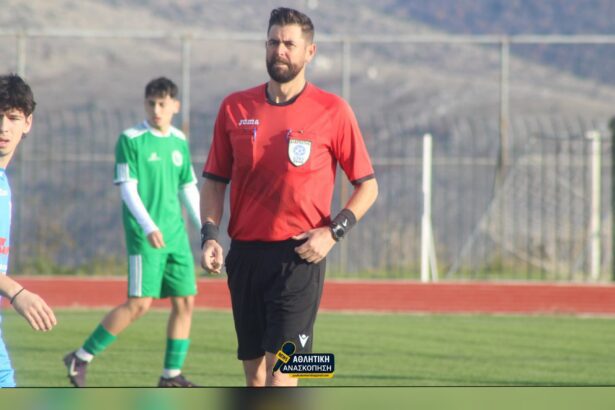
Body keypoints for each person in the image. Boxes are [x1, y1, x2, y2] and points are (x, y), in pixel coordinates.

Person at [200, 7, 378, 387]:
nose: (279, 50)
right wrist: (210, 236)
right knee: (255, 377)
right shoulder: (235, 107)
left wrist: (333, 233)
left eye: (289, 44)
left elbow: (368, 186)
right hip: (245, 257)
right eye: (273, 42)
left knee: (284, 375)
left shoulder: (333, 110)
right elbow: (214, 181)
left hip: (299, 257)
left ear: (310, 52)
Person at [63, 77, 201, 388]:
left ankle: (170, 375)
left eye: (163, 104)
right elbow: (127, 188)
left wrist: (206, 230)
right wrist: (148, 225)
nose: (156, 110)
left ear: (175, 106)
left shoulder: (179, 140)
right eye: (151, 103)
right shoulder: (131, 139)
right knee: (139, 304)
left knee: (185, 302)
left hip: (176, 236)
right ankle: (80, 357)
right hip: (146, 235)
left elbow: (187, 187)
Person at [0, 73, 57, 388]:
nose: (3, 127)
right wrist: (16, 292)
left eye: (12, 118)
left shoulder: (3, 181)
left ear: (27, 123)